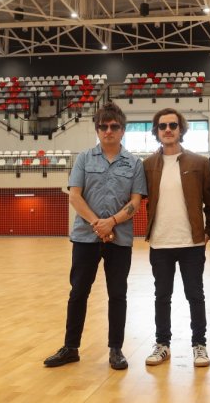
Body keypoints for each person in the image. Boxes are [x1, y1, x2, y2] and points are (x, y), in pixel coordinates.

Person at [44, 102, 147, 371]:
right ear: (97, 129)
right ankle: (70, 347)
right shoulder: (84, 159)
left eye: (114, 126)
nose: (108, 131)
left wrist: (111, 222)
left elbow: (136, 201)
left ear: (122, 130)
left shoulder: (134, 163)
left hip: (120, 239)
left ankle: (115, 349)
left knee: (118, 294)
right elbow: (75, 196)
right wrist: (97, 224)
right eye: (103, 126)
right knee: (78, 293)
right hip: (85, 238)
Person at [142, 107, 210, 367]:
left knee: (195, 295)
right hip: (160, 243)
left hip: (191, 243)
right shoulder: (148, 165)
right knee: (162, 296)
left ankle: (199, 345)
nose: (168, 130)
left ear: (181, 129)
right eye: (163, 126)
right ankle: (162, 344)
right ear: (157, 132)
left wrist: (208, 232)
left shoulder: (199, 162)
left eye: (173, 125)